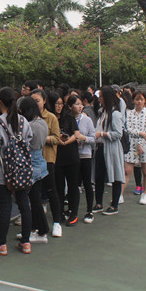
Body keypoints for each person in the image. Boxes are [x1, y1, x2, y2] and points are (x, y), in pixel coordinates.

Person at [0, 87, 33, 255]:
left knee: (5, 206)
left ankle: (1, 244)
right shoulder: (23, 121)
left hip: (3, 171)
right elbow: (29, 141)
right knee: (24, 204)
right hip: (22, 169)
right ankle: (26, 242)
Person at [29, 89, 63, 237]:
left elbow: (57, 138)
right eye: (32, 101)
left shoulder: (51, 117)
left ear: (44, 101)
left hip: (47, 159)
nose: (35, 103)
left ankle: (57, 222)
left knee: (51, 191)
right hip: (32, 162)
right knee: (34, 195)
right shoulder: (28, 118)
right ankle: (34, 227)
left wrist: (42, 138)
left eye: (37, 100)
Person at [18, 96, 50, 243]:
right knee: (34, 198)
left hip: (32, 162)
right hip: (40, 160)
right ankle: (33, 229)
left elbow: (24, 143)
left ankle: (42, 231)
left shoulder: (31, 125)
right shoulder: (42, 122)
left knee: (33, 200)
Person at [93, 86, 125, 215]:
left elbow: (118, 134)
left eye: (101, 96)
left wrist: (102, 134)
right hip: (100, 148)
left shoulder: (115, 114)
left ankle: (114, 205)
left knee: (116, 175)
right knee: (99, 176)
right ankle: (99, 203)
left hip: (112, 148)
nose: (99, 99)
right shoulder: (102, 112)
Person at [123, 92, 146, 204]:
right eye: (137, 99)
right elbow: (128, 129)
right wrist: (140, 133)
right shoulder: (129, 113)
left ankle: (145, 193)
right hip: (131, 145)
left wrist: (140, 143)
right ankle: (119, 195)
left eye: (141, 99)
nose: (139, 101)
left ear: (145, 101)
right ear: (133, 101)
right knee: (127, 171)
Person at [56, 96, 82, 226]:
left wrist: (64, 142)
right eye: (56, 104)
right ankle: (60, 212)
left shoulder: (69, 118)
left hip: (72, 157)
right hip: (57, 158)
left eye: (61, 104)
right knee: (59, 187)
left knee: (73, 186)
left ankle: (73, 213)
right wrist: (58, 141)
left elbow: (76, 134)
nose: (59, 106)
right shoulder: (51, 119)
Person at [70, 95, 96, 222]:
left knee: (87, 183)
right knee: (74, 184)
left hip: (85, 155)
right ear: (70, 106)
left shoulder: (87, 120)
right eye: (77, 104)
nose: (80, 107)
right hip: (72, 155)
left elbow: (93, 138)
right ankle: (72, 210)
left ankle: (89, 211)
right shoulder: (67, 119)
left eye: (81, 104)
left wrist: (83, 138)